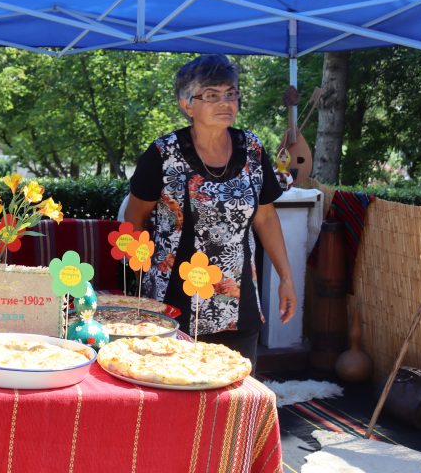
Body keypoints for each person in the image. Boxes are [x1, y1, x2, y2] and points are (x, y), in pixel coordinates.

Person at [125, 54, 296, 369]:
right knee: (176, 396)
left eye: (231, 94)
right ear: (187, 104)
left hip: (239, 302)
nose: (225, 103)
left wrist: (286, 277)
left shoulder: (253, 150)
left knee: (235, 397)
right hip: (174, 304)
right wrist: (141, 284)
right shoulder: (162, 155)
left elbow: (266, 217)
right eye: (212, 95)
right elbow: (133, 220)